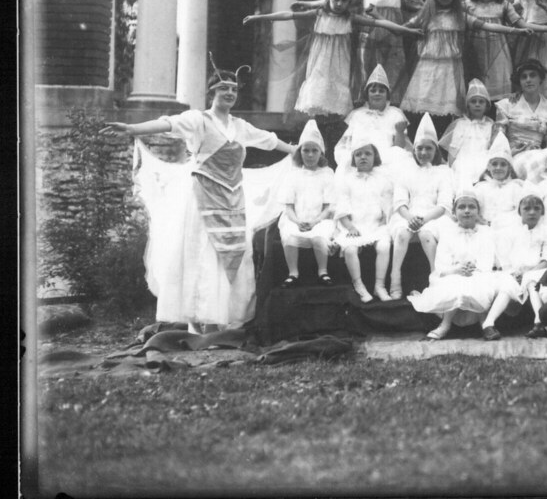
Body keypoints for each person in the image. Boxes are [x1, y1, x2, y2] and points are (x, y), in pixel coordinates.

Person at [102, 63, 294, 331]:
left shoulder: (240, 126)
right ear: (211, 92)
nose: (230, 93)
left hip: (232, 200)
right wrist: (134, 129)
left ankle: (222, 317)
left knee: (231, 255)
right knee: (200, 255)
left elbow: (269, 141)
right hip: (202, 197)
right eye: (223, 88)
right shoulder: (198, 120)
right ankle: (196, 321)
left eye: (234, 89)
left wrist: (295, 150)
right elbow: (167, 123)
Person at [243, 0, 420, 119]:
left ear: (349, 2)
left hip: (339, 66)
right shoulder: (319, 14)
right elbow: (288, 14)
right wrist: (260, 17)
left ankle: (332, 125)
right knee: (317, 98)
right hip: (319, 64)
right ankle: (318, 126)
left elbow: (379, 22)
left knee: (336, 102)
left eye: (344, 1)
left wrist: (406, 30)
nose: (339, 3)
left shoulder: (350, 18)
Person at [401, 0, 530, 119]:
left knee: (448, 106)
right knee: (425, 102)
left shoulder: (460, 16)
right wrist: (383, 20)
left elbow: (487, 26)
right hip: (427, 66)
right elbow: (402, 28)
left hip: (451, 68)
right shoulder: (426, 15)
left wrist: (516, 30)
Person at [409, 188, 502, 340]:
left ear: (478, 211)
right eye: (462, 207)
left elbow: (487, 259)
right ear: (454, 211)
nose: (467, 211)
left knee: (478, 282)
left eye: (471, 207)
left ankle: (484, 322)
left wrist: (473, 268)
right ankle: (445, 324)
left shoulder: (486, 232)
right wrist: (457, 269)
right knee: (456, 282)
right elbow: (441, 264)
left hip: (478, 272)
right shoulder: (448, 232)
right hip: (453, 272)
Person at [465, 0, 547, 100]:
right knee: (475, 87)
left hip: (499, 52)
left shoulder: (503, 4)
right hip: (475, 50)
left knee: (498, 89)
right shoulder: (467, 4)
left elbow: (522, 24)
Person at [480, 194, 547, 340]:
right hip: (512, 272)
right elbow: (504, 259)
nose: (532, 212)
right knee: (508, 286)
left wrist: (528, 272)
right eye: (527, 208)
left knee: (531, 281)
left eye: (536, 208)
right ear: (519, 211)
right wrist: (515, 273)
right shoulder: (510, 232)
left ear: (542, 211)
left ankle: (538, 321)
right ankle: (488, 324)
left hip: (539, 271)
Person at [388, 114, 454, 276]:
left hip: (435, 216)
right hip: (408, 215)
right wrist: (410, 218)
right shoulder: (405, 171)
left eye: (428, 148)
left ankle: (435, 274)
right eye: (419, 148)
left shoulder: (444, 172)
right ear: (414, 150)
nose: (423, 152)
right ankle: (395, 276)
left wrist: (424, 220)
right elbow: (400, 202)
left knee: (426, 234)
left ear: (436, 150)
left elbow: (444, 205)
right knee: (402, 234)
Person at [354, 0, 424, 103]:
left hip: (393, 44)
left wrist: (406, 26)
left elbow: (423, 9)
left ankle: (392, 111)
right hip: (368, 43)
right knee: (367, 75)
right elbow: (339, 3)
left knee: (393, 76)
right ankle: (364, 111)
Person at [333, 136, 395, 302]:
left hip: (376, 224)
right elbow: (342, 207)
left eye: (368, 153)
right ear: (353, 158)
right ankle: (359, 285)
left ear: (375, 157)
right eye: (358, 154)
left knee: (384, 246)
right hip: (354, 225)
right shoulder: (347, 180)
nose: (363, 157)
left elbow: (387, 203)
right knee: (351, 249)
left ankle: (379, 286)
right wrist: (350, 227)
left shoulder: (383, 179)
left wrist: (383, 221)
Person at [277, 120, 336, 288]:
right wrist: (297, 221)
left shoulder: (327, 174)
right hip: (296, 218)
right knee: (289, 234)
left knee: (319, 237)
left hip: (320, 219)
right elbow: (288, 206)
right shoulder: (293, 175)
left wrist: (314, 222)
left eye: (314, 150)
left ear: (321, 153)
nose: (310, 155)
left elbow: (328, 207)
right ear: (300, 152)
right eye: (306, 150)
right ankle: (293, 273)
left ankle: (323, 272)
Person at [333, 64, 415, 179]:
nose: (377, 93)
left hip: (386, 158)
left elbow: (400, 147)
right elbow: (347, 143)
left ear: (387, 94)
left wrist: (399, 132)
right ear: (367, 94)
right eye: (373, 90)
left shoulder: (395, 114)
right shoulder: (357, 114)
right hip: (361, 156)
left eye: (381, 91)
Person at [495, 59, 547, 184]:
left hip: (540, 155)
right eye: (524, 77)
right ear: (519, 81)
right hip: (514, 155)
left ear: (540, 79)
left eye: (532, 75)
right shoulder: (507, 105)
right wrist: (511, 152)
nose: (528, 80)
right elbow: (498, 140)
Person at [438, 78, 499, 187]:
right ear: (468, 105)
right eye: (473, 101)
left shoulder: (490, 125)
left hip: (483, 158)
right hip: (463, 159)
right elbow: (453, 149)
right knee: (462, 173)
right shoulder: (461, 124)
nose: (477, 104)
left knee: (485, 175)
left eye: (481, 102)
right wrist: (450, 168)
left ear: (486, 106)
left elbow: (493, 148)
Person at [474, 132, 526, 234]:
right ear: (488, 167)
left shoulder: (516, 187)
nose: (498, 168)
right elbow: (474, 210)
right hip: (484, 229)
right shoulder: (480, 188)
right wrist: (484, 223)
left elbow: (520, 213)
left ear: (509, 168)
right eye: (494, 164)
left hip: (509, 231)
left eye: (503, 164)